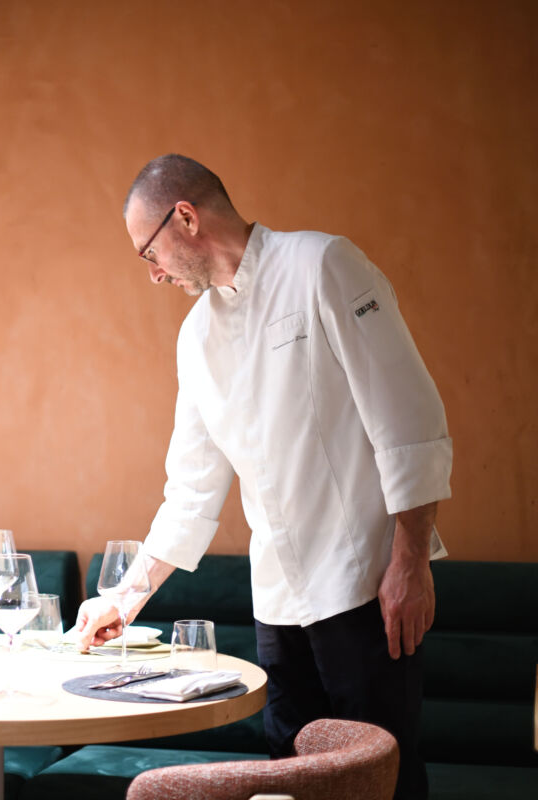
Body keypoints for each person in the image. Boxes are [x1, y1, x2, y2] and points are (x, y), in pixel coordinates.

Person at [74, 154, 452, 800]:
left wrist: (410, 562)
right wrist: (126, 598)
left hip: (365, 589)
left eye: (150, 253)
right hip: (277, 604)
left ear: (186, 217)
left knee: (381, 780)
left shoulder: (323, 265)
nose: (154, 273)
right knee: (289, 781)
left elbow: (408, 418)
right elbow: (191, 488)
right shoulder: (196, 337)